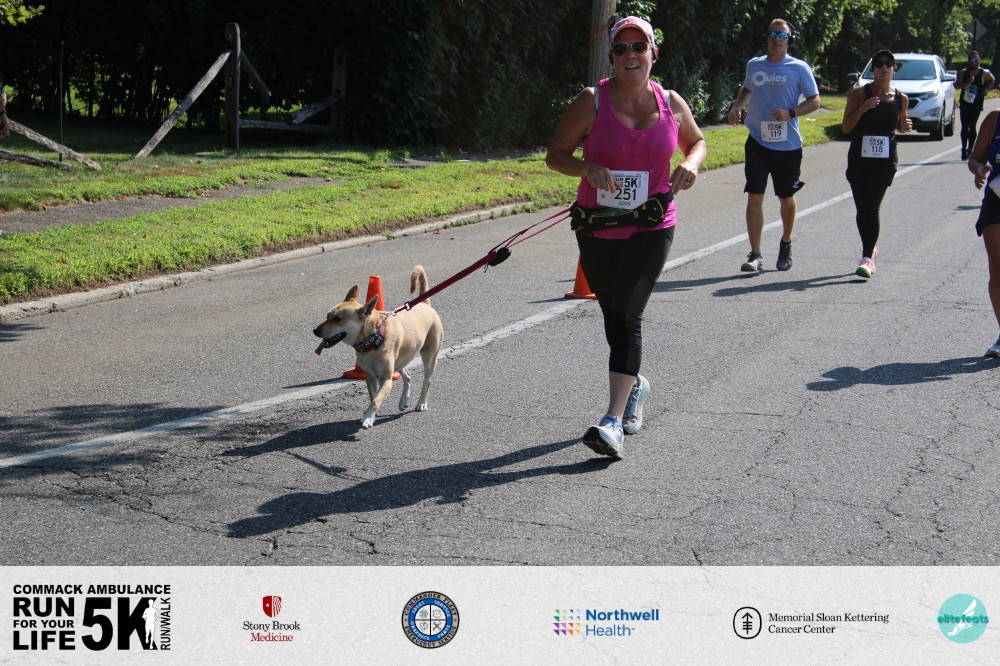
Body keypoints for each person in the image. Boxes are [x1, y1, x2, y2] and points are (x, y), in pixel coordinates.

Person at [546, 15, 706, 459]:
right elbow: (555, 155)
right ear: (612, 57)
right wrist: (586, 168)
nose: (630, 55)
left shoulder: (670, 102)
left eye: (639, 47)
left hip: (653, 223)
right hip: (597, 226)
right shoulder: (591, 100)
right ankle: (635, 385)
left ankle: (612, 421)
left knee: (628, 312)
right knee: (612, 313)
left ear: (654, 53)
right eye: (621, 48)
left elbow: (697, 141)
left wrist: (690, 163)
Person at [726, 18, 821, 272]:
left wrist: (791, 112)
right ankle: (755, 254)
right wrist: (737, 107)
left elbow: (815, 101)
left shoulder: (799, 68)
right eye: (772, 34)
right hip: (757, 141)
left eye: (782, 35)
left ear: (789, 39)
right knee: (754, 195)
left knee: (786, 197)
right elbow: (746, 90)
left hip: (787, 145)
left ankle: (786, 243)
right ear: (766, 37)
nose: (776, 39)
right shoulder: (754, 65)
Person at [841, 50, 912, 278]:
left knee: (872, 206)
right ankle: (871, 248)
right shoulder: (859, 93)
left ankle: (867, 259)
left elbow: (900, 124)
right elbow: (846, 127)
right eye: (879, 64)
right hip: (860, 158)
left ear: (894, 68)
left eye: (888, 63)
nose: (884, 67)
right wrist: (863, 108)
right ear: (873, 69)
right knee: (862, 208)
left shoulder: (901, 98)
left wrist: (905, 126)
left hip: (885, 159)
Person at [968, 108, 1000, 356]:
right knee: (998, 271)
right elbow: (975, 158)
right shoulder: (994, 119)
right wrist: (979, 169)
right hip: (996, 202)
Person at [956, 51, 994, 160]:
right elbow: (956, 86)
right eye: (970, 59)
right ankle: (964, 148)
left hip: (976, 104)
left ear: (979, 61)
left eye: (975, 59)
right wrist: (967, 83)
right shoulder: (963, 72)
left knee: (972, 126)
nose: (972, 61)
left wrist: (986, 89)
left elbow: (992, 79)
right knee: (964, 126)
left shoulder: (984, 73)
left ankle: (970, 149)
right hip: (965, 104)